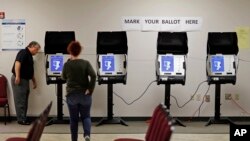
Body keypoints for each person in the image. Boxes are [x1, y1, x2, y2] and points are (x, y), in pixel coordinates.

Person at [62, 41, 96, 141]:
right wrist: (90, 89)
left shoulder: (67, 65)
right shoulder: (86, 63)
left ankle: (74, 139)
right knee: (86, 117)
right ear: (80, 51)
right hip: (85, 95)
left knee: (73, 119)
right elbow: (93, 76)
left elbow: (63, 77)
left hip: (72, 95)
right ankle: (87, 135)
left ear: (70, 51)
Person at [11, 41, 41, 125]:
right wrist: (17, 76)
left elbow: (30, 71)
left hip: (25, 80)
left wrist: (34, 81)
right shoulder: (23, 52)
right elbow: (17, 63)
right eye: (37, 49)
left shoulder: (29, 56)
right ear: (31, 46)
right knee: (20, 100)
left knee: (24, 100)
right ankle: (21, 119)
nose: (37, 51)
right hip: (19, 79)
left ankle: (23, 117)